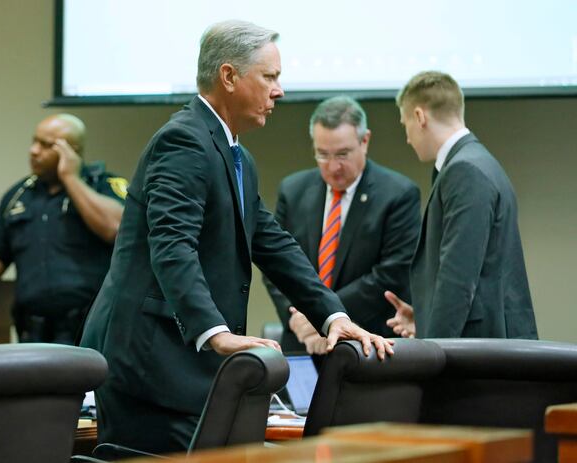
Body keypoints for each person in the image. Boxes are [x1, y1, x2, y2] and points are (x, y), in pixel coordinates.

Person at [79, 20, 394, 454]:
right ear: (228, 77)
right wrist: (215, 331)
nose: (279, 91)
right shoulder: (183, 141)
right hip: (151, 367)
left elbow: (273, 243)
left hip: (182, 370)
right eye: (270, 77)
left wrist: (334, 317)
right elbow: (172, 245)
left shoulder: (235, 153)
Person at [386, 71, 538, 339]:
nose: (407, 138)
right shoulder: (478, 162)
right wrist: (425, 318)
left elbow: (458, 279)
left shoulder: (464, 170)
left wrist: (434, 347)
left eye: (404, 123)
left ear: (420, 117)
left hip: (481, 359)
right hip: (487, 347)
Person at [263, 96, 421, 354]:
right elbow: (276, 265)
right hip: (302, 341)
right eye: (322, 155)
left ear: (365, 141)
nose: (333, 167)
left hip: (366, 345)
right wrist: (299, 319)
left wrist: (323, 315)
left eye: (343, 154)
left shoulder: (398, 194)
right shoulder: (293, 191)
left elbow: (390, 273)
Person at [0, 114, 126, 344]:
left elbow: (115, 229)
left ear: (72, 150)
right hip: (33, 332)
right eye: (34, 141)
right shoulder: (18, 196)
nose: (34, 151)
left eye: (46, 145)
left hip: (92, 330)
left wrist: (70, 178)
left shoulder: (104, 185)